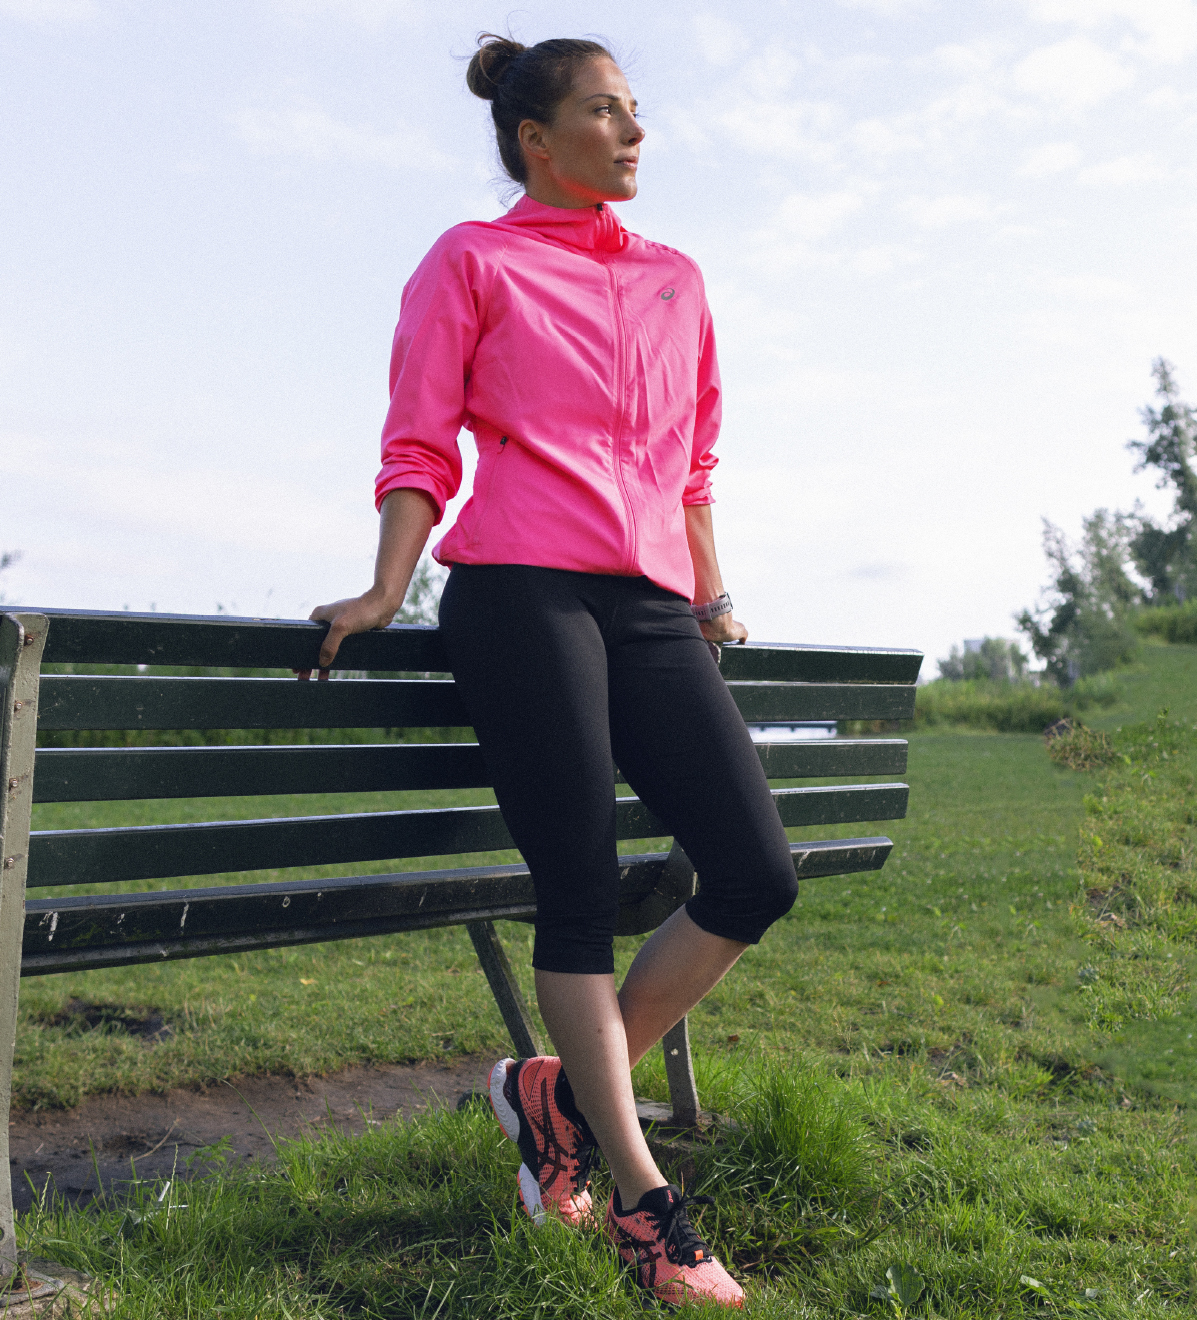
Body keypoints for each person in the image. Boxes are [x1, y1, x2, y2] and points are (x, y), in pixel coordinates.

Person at [310, 33, 798, 1310]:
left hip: (650, 606)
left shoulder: (677, 281)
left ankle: (556, 1098)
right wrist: (387, 588)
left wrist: (711, 596)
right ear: (536, 139)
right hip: (521, 596)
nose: (634, 132)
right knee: (577, 888)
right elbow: (420, 444)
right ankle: (643, 1204)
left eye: (637, 110)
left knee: (757, 872)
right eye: (604, 112)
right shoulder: (473, 261)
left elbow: (692, 462)